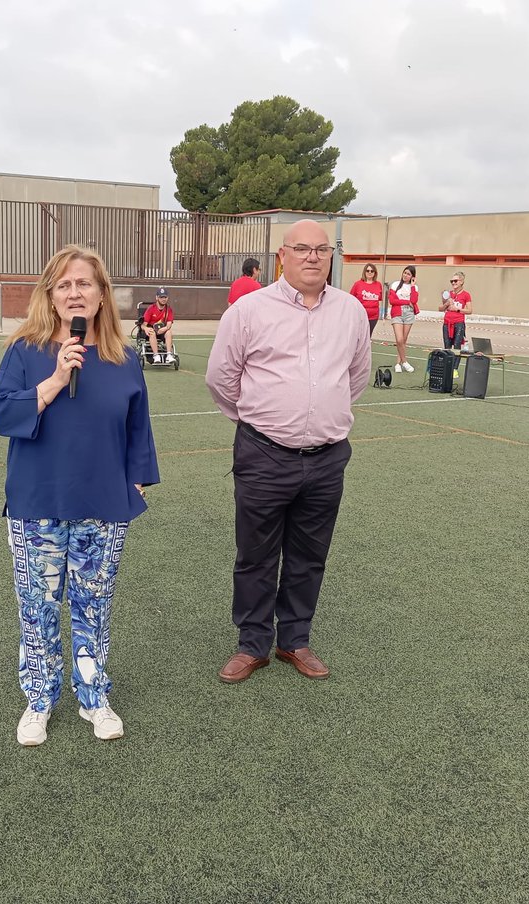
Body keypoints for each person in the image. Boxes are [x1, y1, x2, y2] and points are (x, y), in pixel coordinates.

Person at [0, 245, 159, 747]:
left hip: (102, 502)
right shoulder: (25, 350)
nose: (75, 292)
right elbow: (1, 414)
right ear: (51, 296)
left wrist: (138, 474)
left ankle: (93, 696)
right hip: (37, 500)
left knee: (93, 603)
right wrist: (56, 378)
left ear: (102, 296)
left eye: (85, 283)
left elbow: (137, 424)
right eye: (64, 284)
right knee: (37, 606)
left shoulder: (123, 358)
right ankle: (39, 698)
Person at [205, 219, 372, 684]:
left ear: (331, 256)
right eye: (302, 248)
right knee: (256, 555)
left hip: (327, 457)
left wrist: (320, 414)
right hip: (263, 454)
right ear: (282, 255)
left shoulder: (351, 311)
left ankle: (294, 640)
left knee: (309, 554)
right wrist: (262, 419)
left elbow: (355, 376)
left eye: (321, 249)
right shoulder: (249, 310)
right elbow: (222, 378)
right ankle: (252, 643)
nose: (313, 257)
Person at [388, 265, 420, 373]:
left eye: (408, 274)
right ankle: (405, 361)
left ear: (412, 276)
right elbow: (392, 301)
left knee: (404, 340)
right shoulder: (395, 284)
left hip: (409, 313)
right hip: (397, 312)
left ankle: (398, 363)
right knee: (399, 339)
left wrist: (413, 285)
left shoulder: (414, 287)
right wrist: (406, 302)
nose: (405, 275)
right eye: (405, 273)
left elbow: (414, 300)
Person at [440, 270, 473, 351]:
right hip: (447, 323)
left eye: (455, 281)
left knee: (456, 347)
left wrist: (457, 309)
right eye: (452, 281)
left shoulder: (466, 295)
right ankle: (447, 363)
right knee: (447, 347)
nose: (453, 283)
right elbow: (441, 309)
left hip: (458, 323)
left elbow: (469, 310)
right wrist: (446, 303)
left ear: (461, 282)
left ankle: (455, 363)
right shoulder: (448, 293)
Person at [141, 287, 175, 363]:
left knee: (169, 331)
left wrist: (165, 328)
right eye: (161, 297)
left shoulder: (168, 310)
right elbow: (143, 325)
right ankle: (156, 356)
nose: (163, 299)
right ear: (157, 297)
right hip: (151, 330)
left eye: (165, 297)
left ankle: (169, 355)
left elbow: (169, 324)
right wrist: (146, 329)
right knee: (152, 332)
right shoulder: (151, 309)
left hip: (162, 330)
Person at [349, 263, 384, 337]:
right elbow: (351, 298)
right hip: (360, 315)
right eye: (368, 270)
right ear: (364, 272)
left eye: (372, 271)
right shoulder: (357, 284)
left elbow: (379, 298)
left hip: (373, 316)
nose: (370, 272)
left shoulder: (378, 284)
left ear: (375, 273)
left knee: (368, 336)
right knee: (358, 336)